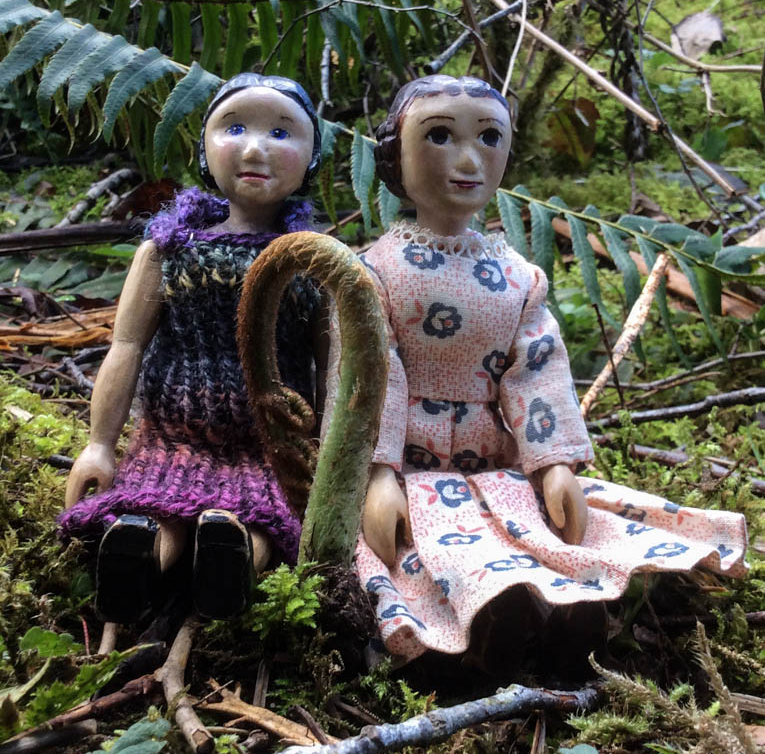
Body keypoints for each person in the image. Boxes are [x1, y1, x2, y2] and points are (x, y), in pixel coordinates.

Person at [356, 74, 747, 664]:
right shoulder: (373, 271)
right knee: (437, 552)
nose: (469, 160)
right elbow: (370, 371)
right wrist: (378, 472)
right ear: (394, 154)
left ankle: (568, 612)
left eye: (490, 137)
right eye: (438, 136)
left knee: (541, 530)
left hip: (494, 462)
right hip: (412, 464)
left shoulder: (519, 277)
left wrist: (553, 462)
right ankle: (490, 623)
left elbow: (536, 371)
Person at [60, 73, 325, 624]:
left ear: (312, 159)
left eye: (281, 132)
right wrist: (100, 445)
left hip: (272, 446)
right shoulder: (170, 249)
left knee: (257, 518)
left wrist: (333, 455)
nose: (255, 148)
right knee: (152, 508)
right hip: (171, 438)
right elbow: (127, 346)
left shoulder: (312, 261)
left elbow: (338, 366)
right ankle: (135, 563)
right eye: (234, 128)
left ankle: (228, 568)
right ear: (204, 149)